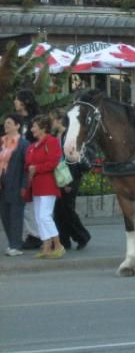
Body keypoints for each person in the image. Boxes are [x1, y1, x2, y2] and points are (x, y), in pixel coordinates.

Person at [50, 110, 91, 250]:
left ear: (60, 120)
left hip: (70, 177)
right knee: (59, 210)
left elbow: (74, 160)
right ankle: (64, 240)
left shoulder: (70, 136)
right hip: (59, 176)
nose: (51, 122)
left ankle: (82, 236)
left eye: (53, 119)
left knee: (68, 209)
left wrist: (70, 182)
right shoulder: (56, 136)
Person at [24, 115, 65, 258]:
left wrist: (36, 168)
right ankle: (46, 246)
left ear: (43, 128)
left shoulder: (52, 142)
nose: (32, 129)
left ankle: (58, 244)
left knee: (44, 215)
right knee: (39, 217)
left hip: (48, 184)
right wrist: (30, 168)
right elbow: (28, 163)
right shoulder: (32, 146)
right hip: (36, 186)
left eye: (34, 126)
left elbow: (53, 162)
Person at [14, 89, 42, 249]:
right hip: (19, 162)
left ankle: (34, 235)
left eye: (17, 99)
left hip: (31, 163)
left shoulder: (34, 120)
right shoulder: (16, 119)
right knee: (24, 200)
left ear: (24, 101)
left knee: (30, 201)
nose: (15, 102)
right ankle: (30, 234)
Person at [0, 114, 29, 256]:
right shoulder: (1, 142)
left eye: (9, 123)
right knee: (5, 215)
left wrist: (24, 186)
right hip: (2, 184)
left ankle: (16, 246)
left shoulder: (23, 144)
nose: (6, 125)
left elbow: (27, 167)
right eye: (5, 123)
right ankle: (12, 242)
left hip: (16, 184)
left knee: (16, 216)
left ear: (17, 126)